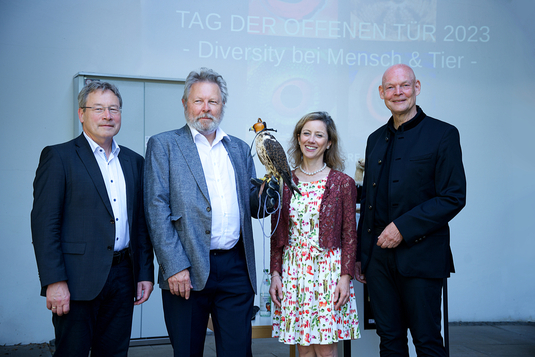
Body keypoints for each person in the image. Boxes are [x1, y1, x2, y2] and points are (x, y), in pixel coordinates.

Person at [143, 67, 276, 357]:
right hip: (185, 269)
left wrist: (271, 192)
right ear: (185, 104)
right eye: (198, 101)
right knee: (188, 351)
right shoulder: (163, 145)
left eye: (212, 102)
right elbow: (155, 209)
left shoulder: (240, 149)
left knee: (238, 351)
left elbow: (252, 207)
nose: (206, 108)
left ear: (222, 106)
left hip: (236, 269)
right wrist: (175, 265)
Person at [31, 81, 154, 357]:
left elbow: (140, 226)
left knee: (114, 353)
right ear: (81, 114)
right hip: (76, 281)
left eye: (113, 109)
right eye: (98, 108)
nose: (107, 116)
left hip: (123, 277)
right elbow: (44, 226)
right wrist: (54, 281)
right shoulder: (59, 157)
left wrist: (145, 273)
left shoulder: (134, 162)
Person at [355, 64, 466, 356]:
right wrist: (361, 256)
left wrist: (402, 227)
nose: (398, 92)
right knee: (389, 340)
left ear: (417, 88)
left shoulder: (444, 134)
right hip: (378, 261)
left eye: (405, 85)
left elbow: (453, 196)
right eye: (390, 87)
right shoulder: (374, 139)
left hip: (422, 257)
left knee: (427, 341)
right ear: (381, 93)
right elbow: (369, 201)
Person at [269, 112, 361, 357]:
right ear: (298, 138)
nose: (312, 139)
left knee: (325, 349)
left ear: (328, 142)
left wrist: (345, 277)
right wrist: (275, 274)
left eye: (319, 134)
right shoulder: (283, 181)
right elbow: (277, 233)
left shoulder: (343, 183)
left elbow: (350, 234)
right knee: (304, 347)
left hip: (328, 272)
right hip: (294, 271)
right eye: (306, 133)